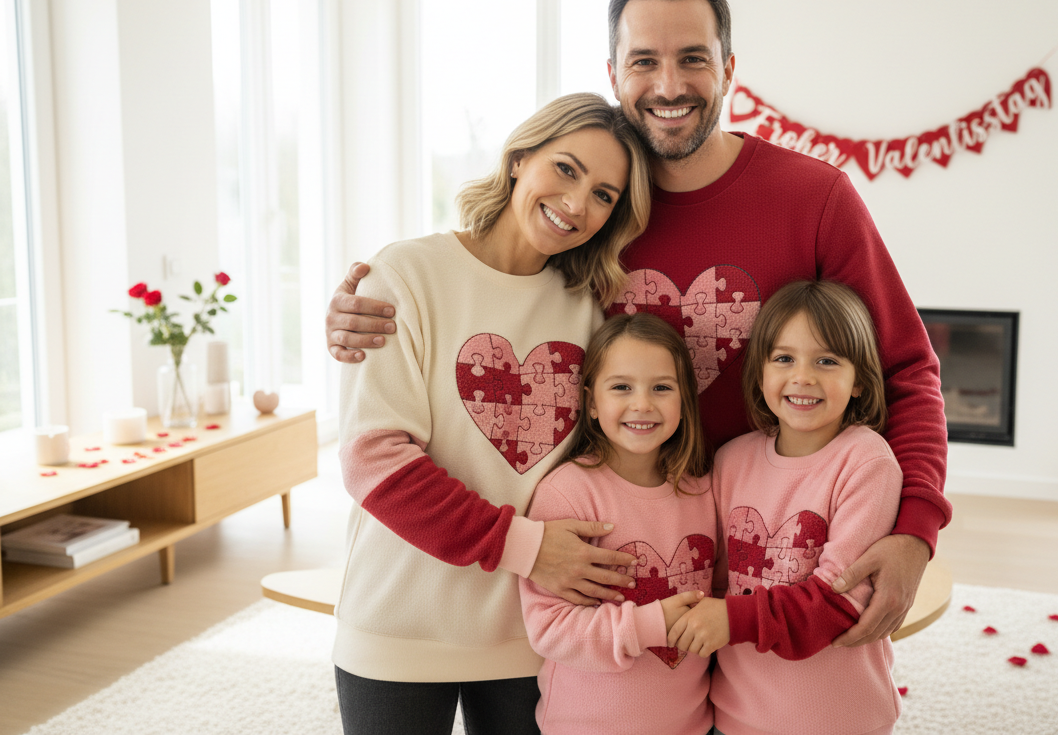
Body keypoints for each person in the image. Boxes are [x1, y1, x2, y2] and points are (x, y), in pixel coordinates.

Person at [325, 0, 950, 646]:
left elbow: (906, 371)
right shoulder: (590, 225)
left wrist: (917, 528)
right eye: (645, 61)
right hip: (620, 569)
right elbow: (480, 292)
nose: (670, 85)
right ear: (614, 75)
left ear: (730, 70)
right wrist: (370, 304)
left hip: (777, 559)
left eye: (693, 60)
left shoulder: (816, 199)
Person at [333, 93, 655, 735]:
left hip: (530, 630)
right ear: (518, 159)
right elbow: (374, 460)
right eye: (565, 169)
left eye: (604, 195)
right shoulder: (406, 274)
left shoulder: (591, 309)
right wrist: (528, 547)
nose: (576, 203)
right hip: (399, 622)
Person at [671, 280, 903, 735]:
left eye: (827, 361)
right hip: (735, 717)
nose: (803, 377)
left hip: (841, 719)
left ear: (859, 381)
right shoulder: (730, 460)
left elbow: (841, 602)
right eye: (784, 359)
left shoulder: (866, 461)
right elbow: (713, 581)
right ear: (760, 373)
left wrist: (733, 619)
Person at [518, 312, 717, 735]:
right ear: (591, 402)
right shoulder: (567, 493)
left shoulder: (704, 490)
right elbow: (550, 629)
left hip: (691, 723)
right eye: (621, 387)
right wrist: (650, 625)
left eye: (661, 388)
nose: (642, 404)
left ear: (685, 400)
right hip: (586, 725)